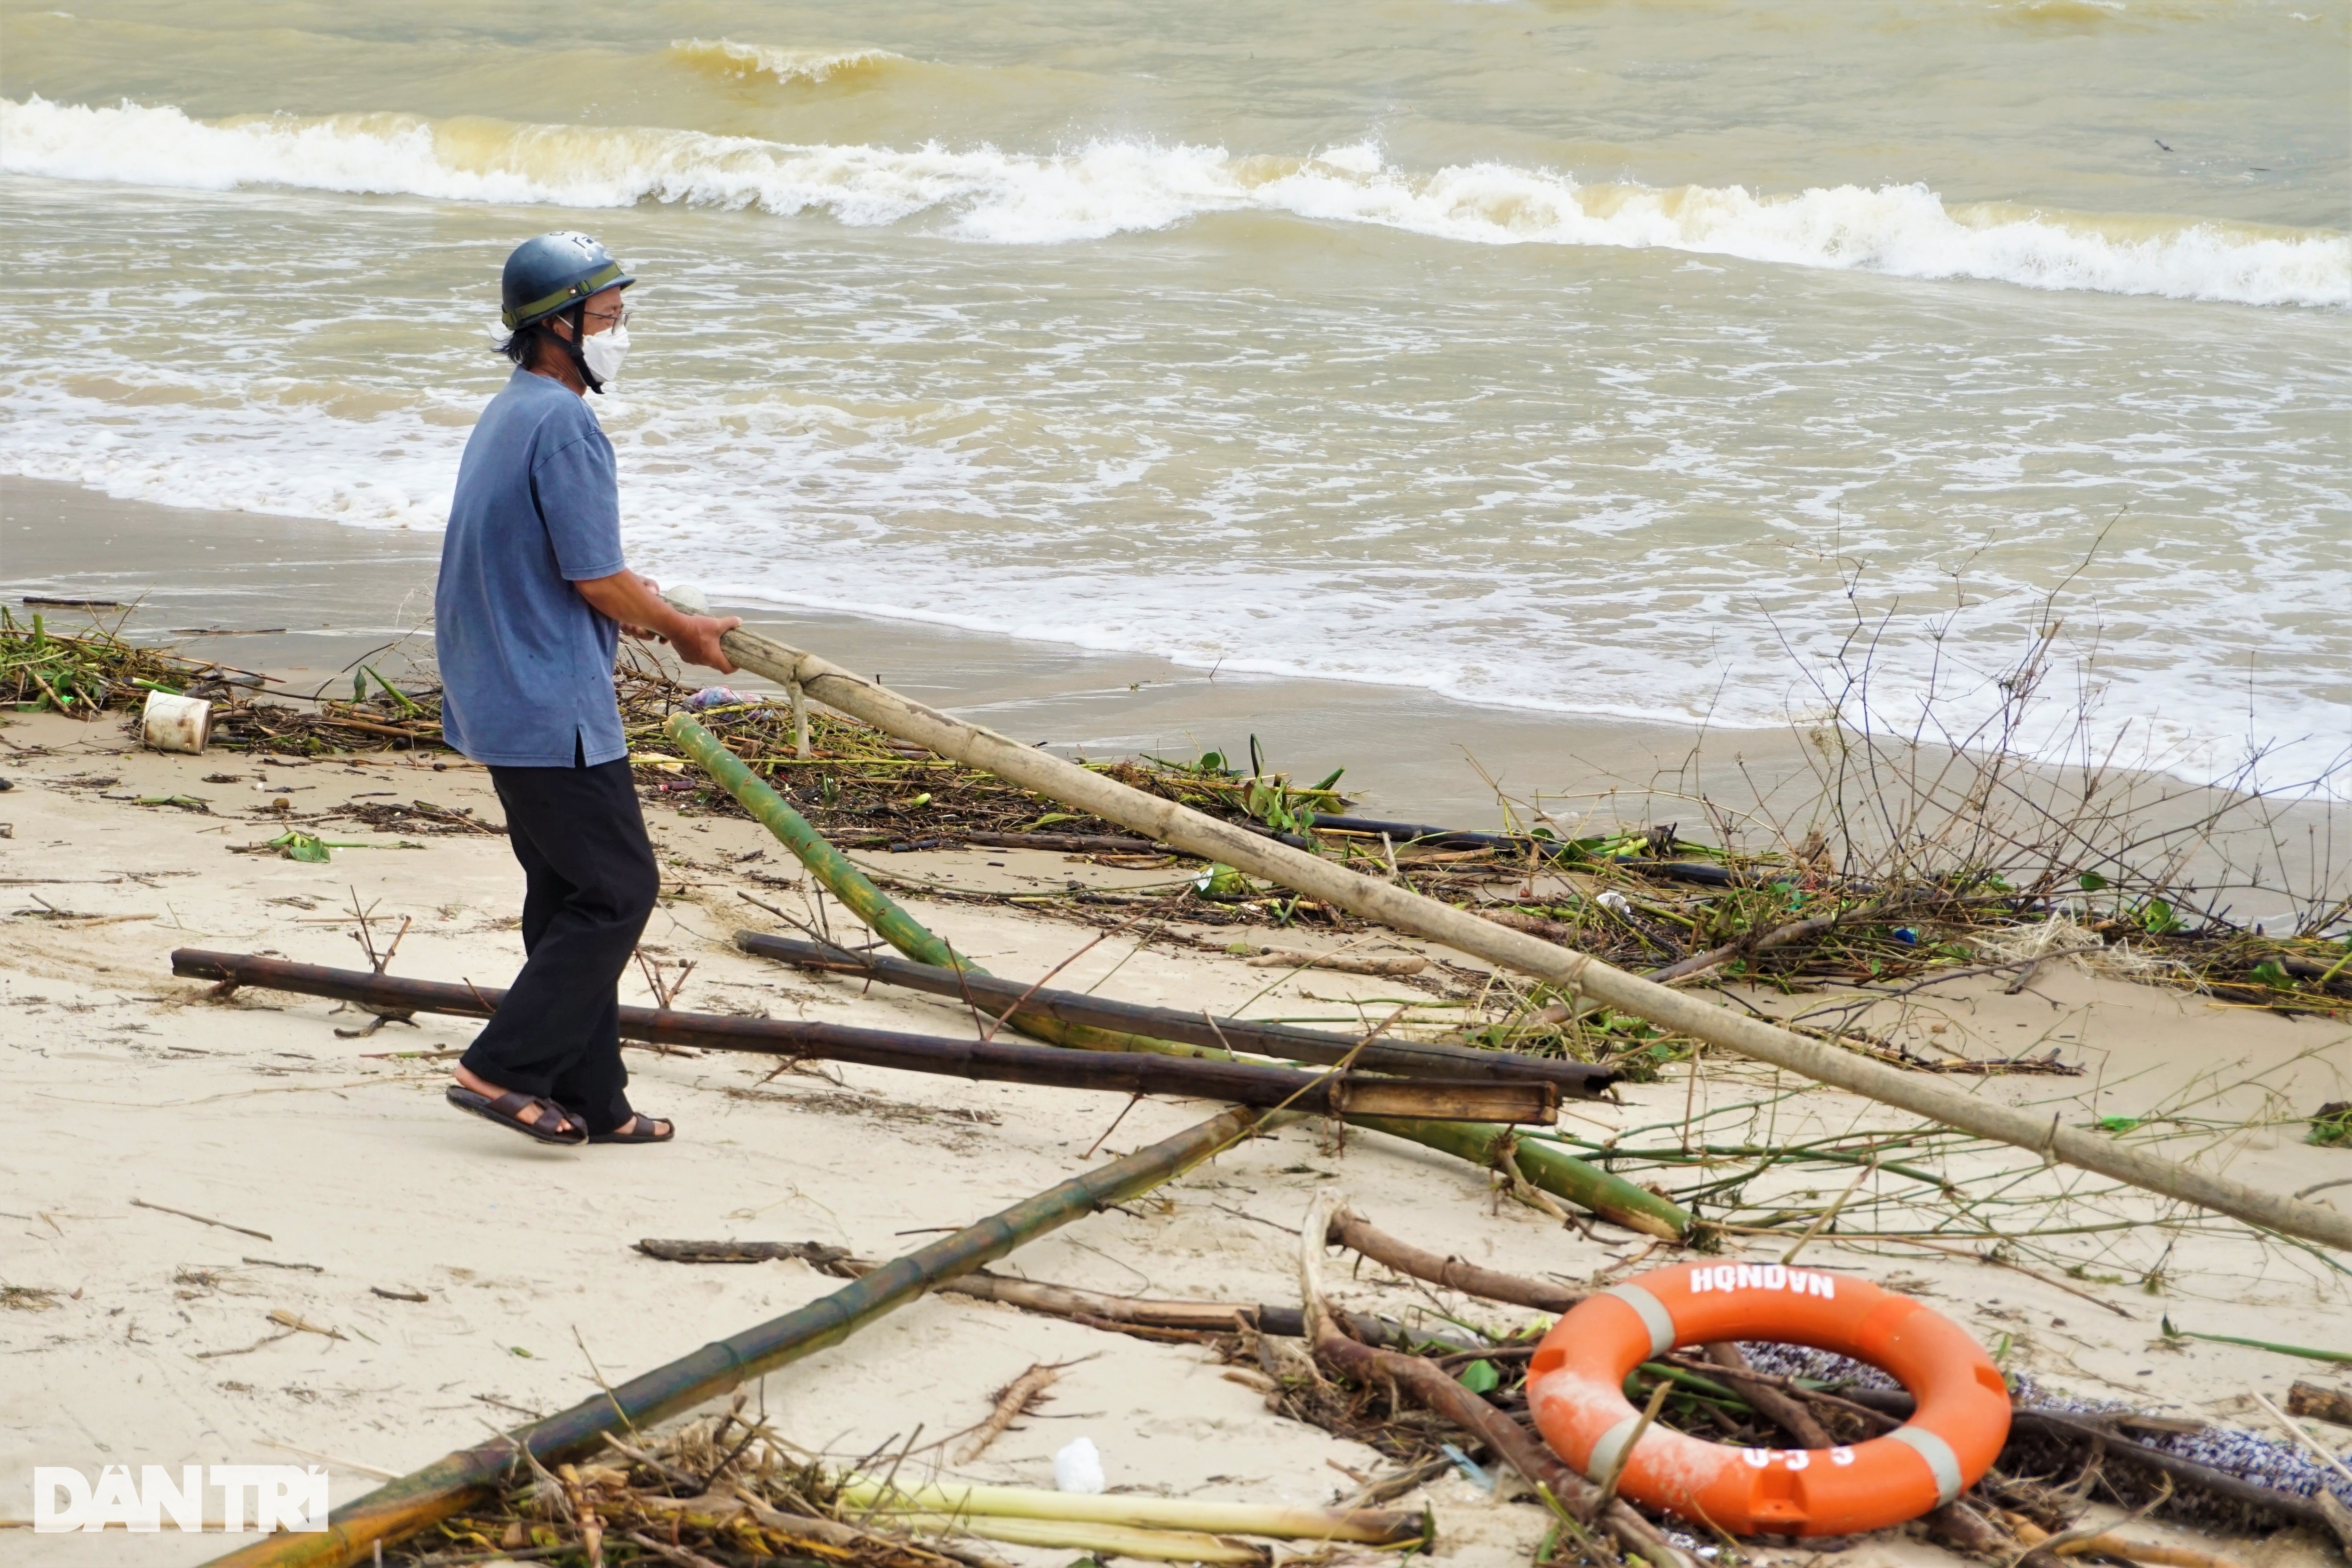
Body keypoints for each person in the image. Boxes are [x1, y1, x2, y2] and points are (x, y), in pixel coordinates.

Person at [433, 231, 741, 1147]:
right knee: (619, 890)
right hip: (548, 698)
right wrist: (681, 627)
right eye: (606, 319)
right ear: (556, 327)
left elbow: (573, 557)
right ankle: (500, 1065)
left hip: (496, 686)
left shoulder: (510, 411)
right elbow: (593, 581)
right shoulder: (566, 423)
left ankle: (594, 1095)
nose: (618, 333)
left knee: (566, 894)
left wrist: (636, 593)